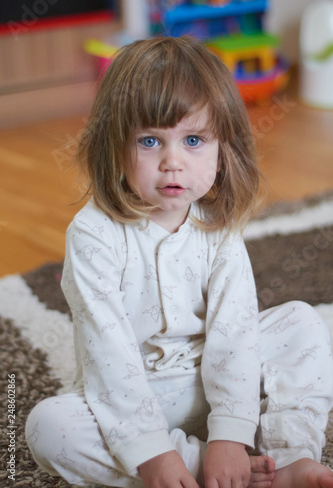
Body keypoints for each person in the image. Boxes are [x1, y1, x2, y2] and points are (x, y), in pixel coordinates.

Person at [25, 36, 333, 488]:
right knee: (47, 428)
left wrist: (231, 431)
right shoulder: (93, 236)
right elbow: (108, 357)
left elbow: (235, 331)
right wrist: (154, 455)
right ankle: (200, 467)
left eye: (193, 140)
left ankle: (287, 456)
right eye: (150, 141)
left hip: (215, 377)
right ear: (114, 146)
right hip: (138, 393)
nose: (172, 162)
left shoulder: (218, 224)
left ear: (223, 149)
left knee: (304, 324)